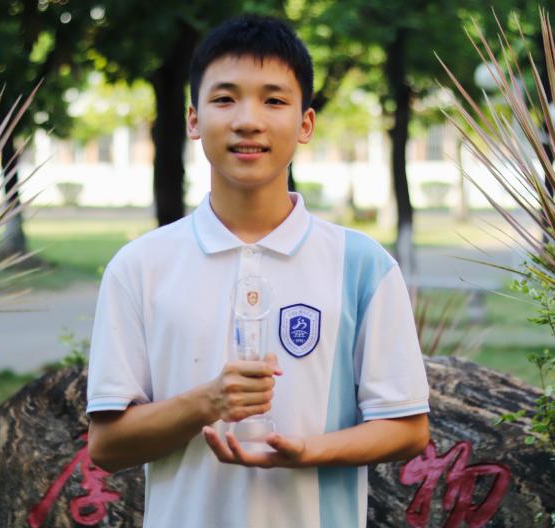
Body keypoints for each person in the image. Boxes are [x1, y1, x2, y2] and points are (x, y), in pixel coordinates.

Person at [86, 15, 431, 528]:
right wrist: (208, 401)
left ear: (306, 123)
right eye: (225, 99)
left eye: (273, 100)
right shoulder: (139, 267)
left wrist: (307, 451)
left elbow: (407, 429)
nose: (248, 120)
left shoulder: (363, 266)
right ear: (194, 119)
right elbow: (108, 445)